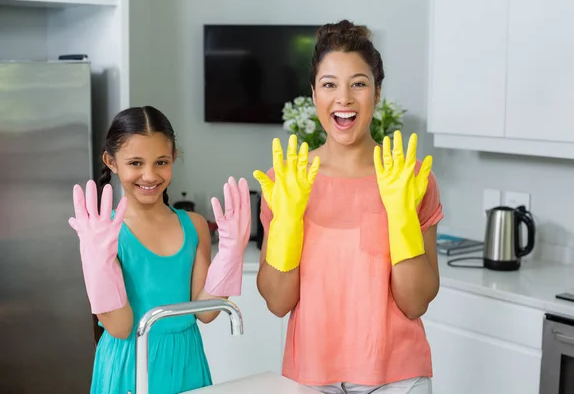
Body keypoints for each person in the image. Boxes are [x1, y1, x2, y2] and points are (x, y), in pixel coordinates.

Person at [253, 20, 443, 394]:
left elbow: (416, 302)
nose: (344, 98)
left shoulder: (411, 177)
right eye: (329, 85)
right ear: (314, 94)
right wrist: (289, 219)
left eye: (358, 83)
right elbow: (277, 302)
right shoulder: (288, 180)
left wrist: (401, 215)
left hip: (397, 377)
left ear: (377, 92)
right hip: (309, 374)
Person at [68, 106, 251, 394]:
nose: (150, 175)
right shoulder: (104, 235)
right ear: (111, 161)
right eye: (136, 163)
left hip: (186, 362)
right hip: (129, 364)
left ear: (174, 158)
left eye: (161, 162)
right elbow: (119, 326)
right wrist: (97, 262)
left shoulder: (195, 226)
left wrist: (231, 253)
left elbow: (205, 313)